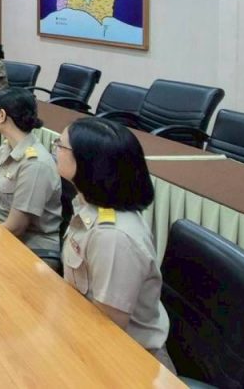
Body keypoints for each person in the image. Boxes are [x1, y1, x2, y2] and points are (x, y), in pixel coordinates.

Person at [55, 118, 177, 373]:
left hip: (131, 364)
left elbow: (107, 329)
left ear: (88, 163)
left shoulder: (113, 237)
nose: (55, 148)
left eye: (61, 145)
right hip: (86, 335)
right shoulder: (90, 206)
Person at [0, 87, 62, 254]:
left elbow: (16, 227)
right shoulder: (6, 147)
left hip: (29, 248)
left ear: (2, 115)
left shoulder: (35, 165)